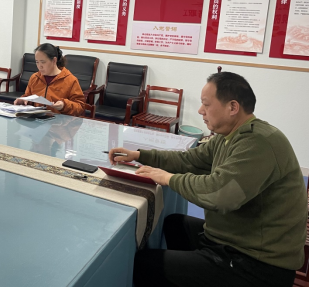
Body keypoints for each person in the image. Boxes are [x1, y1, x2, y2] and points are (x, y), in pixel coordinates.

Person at [109, 72, 307, 287]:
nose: (200, 110)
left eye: (206, 104)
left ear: (232, 107)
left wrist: (169, 179)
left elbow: (219, 194)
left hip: (257, 262)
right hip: (234, 237)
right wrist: (140, 155)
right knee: (174, 224)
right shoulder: (228, 136)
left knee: (144, 265)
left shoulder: (258, 142)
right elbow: (189, 160)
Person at [15, 43, 86, 117]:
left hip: (60, 122)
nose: (39, 66)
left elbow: (80, 107)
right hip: (37, 121)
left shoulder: (70, 80)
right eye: (37, 62)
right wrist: (23, 100)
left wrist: (64, 105)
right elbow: (28, 96)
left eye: (43, 62)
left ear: (54, 60)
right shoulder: (35, 77)